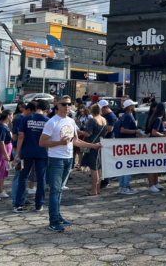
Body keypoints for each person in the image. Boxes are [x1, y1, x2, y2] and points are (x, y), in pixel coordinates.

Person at [40, 95, 102, 232]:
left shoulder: (71, 121)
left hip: (69, 159)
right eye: (64, 104)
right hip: (56, 159)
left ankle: (58, 216)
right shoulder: (52, 122)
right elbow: (42, 142)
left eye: (69, 104)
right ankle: (53, 220)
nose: (67, 106)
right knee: (55, 190)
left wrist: (93, 145)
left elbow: (76, 141)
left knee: (60, 189)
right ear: (58, 105)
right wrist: (59, 143)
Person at [13, 100, 50, 213]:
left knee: (23, 177)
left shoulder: (25, 119)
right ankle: (39, 204)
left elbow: (20, 137)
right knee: (41, 178)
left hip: (26, 152)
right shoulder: (47, 121)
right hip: (42, 152)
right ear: (46, 110)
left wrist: (18, 153)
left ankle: (19, 204)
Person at [82, 104, 110, 196]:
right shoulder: (104, 120)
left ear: (92, 111)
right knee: (99, 167)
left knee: (94, 168)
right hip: (101, 143)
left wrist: (79, 132)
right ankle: (98, 189)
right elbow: (106, 132)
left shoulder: (92, 120)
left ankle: (94, 189)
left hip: (93, 144)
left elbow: (88, 134)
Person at [117, 99, 143, 195]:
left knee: (123, 165)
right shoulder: (128, 116)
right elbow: (123, 130)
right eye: (133, 105)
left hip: (124, 143)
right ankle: (125, 187)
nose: (134, 107)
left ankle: (122, 186)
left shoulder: (125, 116)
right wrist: (135, 131)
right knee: (127, 165)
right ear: (129, 107)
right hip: (127, 143)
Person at [10, 102, 35, 204]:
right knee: (18, 175)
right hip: (18, 149)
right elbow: (15, 137)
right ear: (28, 110)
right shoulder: (19, 119)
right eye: (32, 112)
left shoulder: (25, 119)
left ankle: (22, 197)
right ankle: (16, 199)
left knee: (23, 175)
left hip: (23, 149)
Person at [147, 104, 166, 193]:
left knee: (155, 165)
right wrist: (164, 135)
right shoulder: (158, 119)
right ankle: (151, 185)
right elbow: (154, 132)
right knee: (152, 166)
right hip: (155, 144)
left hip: (153, 144)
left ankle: (155, 183)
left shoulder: (152, 118)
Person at [97, 100, 116, 190]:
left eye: (101, 109)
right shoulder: (104, 115)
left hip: (108, 140)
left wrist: (99, 133)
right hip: (103, 141)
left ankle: (106, 180)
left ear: (106, 107)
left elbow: (110, 129)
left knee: (105, 161)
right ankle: (102, 178)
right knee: (102, 161)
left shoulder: (110, 116)